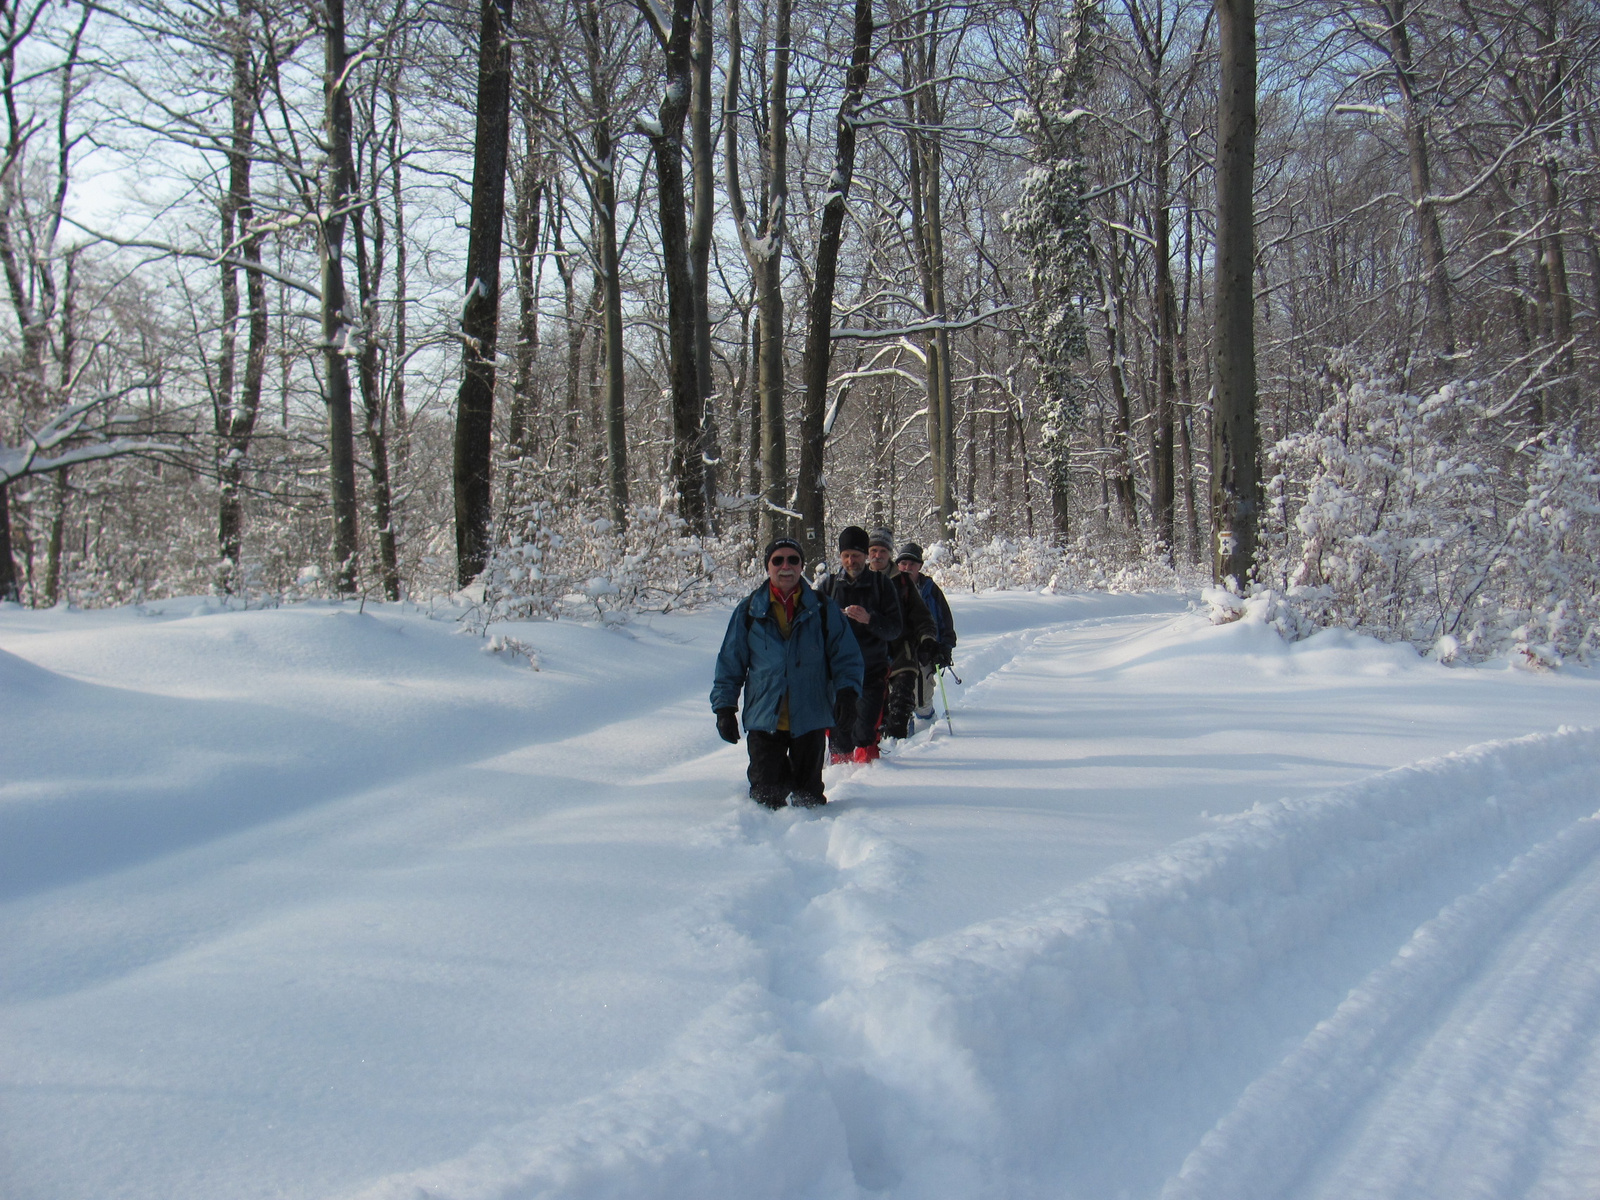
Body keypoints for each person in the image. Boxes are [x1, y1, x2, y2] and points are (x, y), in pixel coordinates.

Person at [712, 537, 864, 808]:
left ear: (802, 566)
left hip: (810, 716)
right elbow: (730, 662)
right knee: (766, 799)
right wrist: (724, 707)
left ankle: (813, 846)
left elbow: (847, 657)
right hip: (765, 718)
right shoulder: (749, 611)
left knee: (810, 801)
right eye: (777, 560)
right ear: (768, 566)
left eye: (793, 560)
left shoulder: (823, 608)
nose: (786, 566)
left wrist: (848, 693)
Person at [818, 525, 902, 763]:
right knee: (838, 733)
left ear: (865, 556)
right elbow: (812, 626)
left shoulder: (882, 585)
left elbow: (895, 629)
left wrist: (869, 619)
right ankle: (840, 778)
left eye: (855, 555)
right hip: (836, 674)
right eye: (846, 556)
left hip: (871, 671)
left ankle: (868, 781)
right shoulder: (828, 586)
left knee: (865, 731)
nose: (850, 561)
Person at [867, 528, 939, 740]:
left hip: (902, 649)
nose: (877, 555)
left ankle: (900, 745)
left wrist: (928, 640)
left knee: (901, 700)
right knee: (874, 704)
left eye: (882, 550)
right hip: (868, 651)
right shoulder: (858, 580)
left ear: (889, 554)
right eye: (873, 550)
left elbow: (923, 616)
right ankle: (875, 745)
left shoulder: (903, 582)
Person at [893, 542, 956, 728]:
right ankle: (904, 728)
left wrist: (945, 647)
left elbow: (945, 620)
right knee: (897, 695)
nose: (907, 567)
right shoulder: (888, 586)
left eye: (912, 564)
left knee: (923, 697)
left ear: (919, 566)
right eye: (903, 563)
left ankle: (927, 726)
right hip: (897, 652)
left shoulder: (930, 589)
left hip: (925, 651)